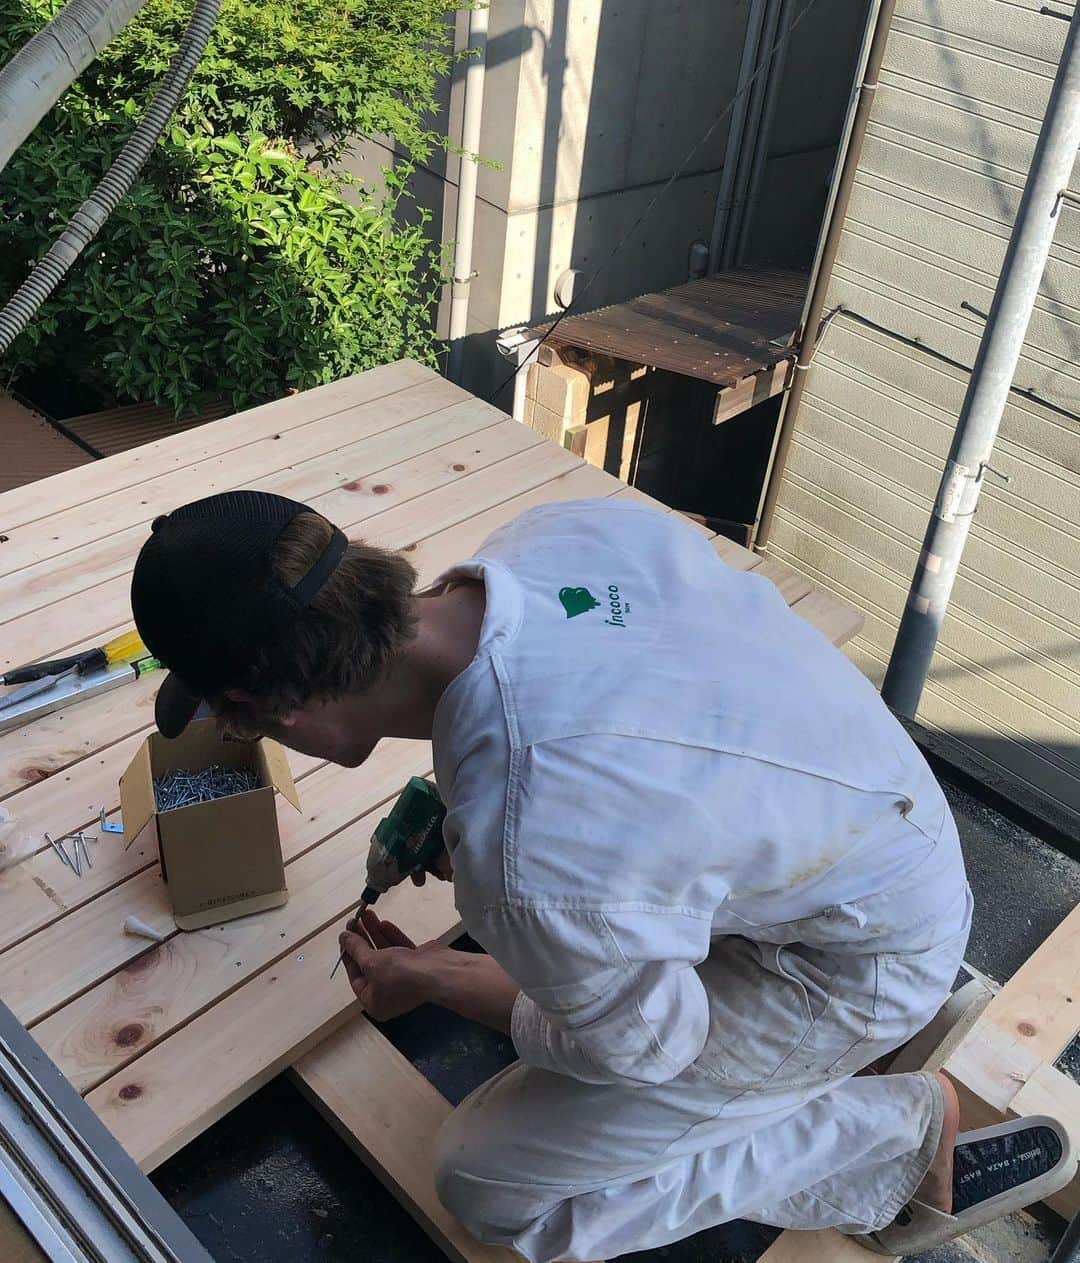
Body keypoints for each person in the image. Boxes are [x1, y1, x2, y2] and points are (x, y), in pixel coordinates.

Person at [131, 489, 1074, 1261]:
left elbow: (655, 1047)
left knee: (486, 1182)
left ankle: (895, 1133)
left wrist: (454, 971)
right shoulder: (557, 530)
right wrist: (523, 889)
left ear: (267, 706)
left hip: (854, 964)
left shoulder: (531, 857)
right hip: (878, 816)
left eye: (235, 716)